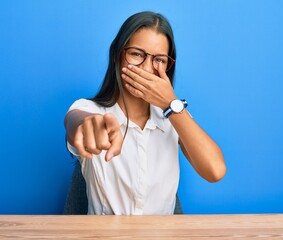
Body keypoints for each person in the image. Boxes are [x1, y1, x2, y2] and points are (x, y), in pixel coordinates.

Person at [64, 11, 226, 215]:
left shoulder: (173, 115)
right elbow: (76, 121)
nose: (147, 68)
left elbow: (215, 170)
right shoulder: (90, 110)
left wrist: (170, 102)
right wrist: (88, 125)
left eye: (159, 59)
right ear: (117, 55)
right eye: (137, 54)